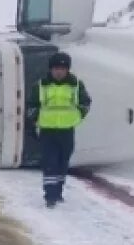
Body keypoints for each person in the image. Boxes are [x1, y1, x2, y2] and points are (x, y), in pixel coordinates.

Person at [28, 51, 92, 207]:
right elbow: (31, 105)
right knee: (50, 163)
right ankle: (50, 195)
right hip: (47, 131)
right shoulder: (41, 85)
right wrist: (35, 118)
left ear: (67, 70)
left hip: (66, 131)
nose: (59, 71)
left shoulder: (75, 85)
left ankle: (58, 191)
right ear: (50, 69)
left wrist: (77, 117)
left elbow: (85, 103)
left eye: (62, 69)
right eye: (56, 68)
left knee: (63, 163)